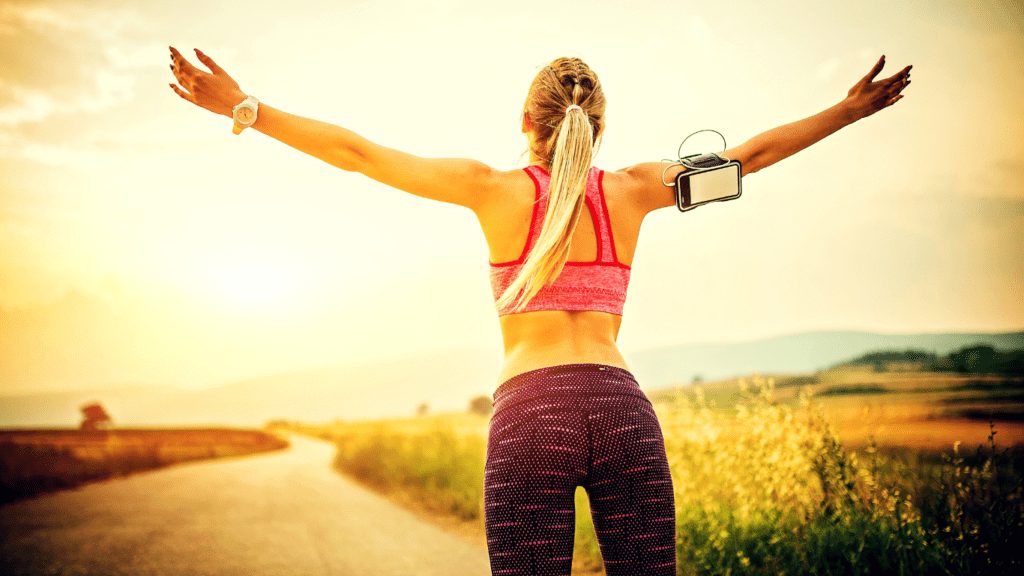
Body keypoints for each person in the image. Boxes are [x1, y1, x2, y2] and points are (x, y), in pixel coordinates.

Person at [168, 47, 911, 575]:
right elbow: (753, 157)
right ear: (603, 125)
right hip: (624, 412)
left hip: (529, 416)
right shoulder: (637, 188)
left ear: (526, 118)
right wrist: (848, 111)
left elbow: (358, 154)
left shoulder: (486, 188)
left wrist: (247, 108)